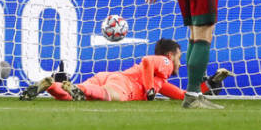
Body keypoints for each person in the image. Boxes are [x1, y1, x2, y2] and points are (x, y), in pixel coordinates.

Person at [20, 38, 234, 101]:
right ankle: (79, 89)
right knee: (111, 97)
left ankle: (49, 85)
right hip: (123, 84)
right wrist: (149, 89)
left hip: (108, 76)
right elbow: (148, 61)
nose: (180, 63)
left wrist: (212, 83)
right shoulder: (164, 63)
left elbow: (182, 95)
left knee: (67, 97)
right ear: (170, 55)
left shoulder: (161, 82)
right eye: (179, 57)